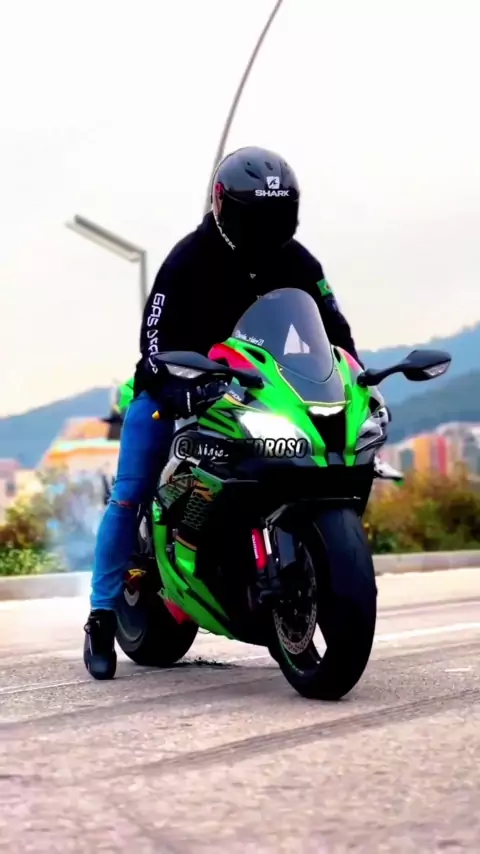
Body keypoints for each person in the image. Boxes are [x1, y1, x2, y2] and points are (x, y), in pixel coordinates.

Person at [83, 145, 364, 680]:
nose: (266, 227)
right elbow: (153, 341)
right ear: (222, 205)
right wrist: (175, 390)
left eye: (277, 215)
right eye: (255, 215)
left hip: (261, 391)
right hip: (178, 389)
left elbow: (334, 330)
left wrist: (353, 376)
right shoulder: (188, 259)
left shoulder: (299, 262)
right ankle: (101, 616)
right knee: (130, 491)